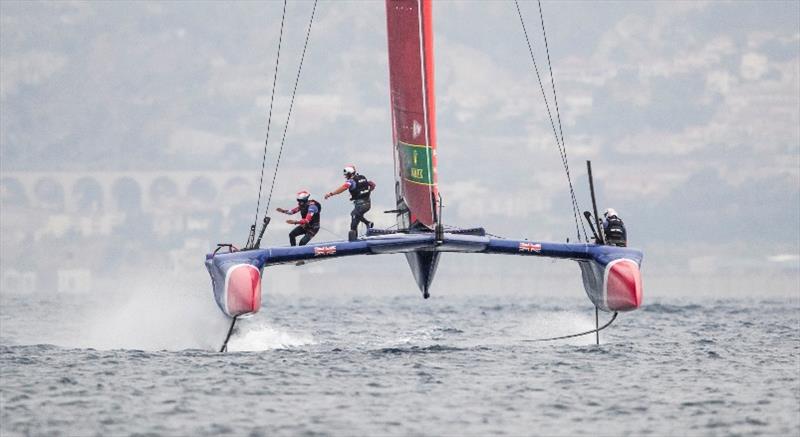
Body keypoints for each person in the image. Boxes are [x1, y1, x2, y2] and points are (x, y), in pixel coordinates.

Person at [324, 164, 376, 241]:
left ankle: (368, 223)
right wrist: (368, 192)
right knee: (354, 223)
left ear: (349, 173)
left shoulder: (351, 181)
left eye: (346, 175)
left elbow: (343, 188)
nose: (345, 176)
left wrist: (331, 194)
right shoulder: (362, 177)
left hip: (361, 205)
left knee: (354, 214)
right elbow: (372, 184)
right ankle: (355, 239)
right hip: (367, 203)